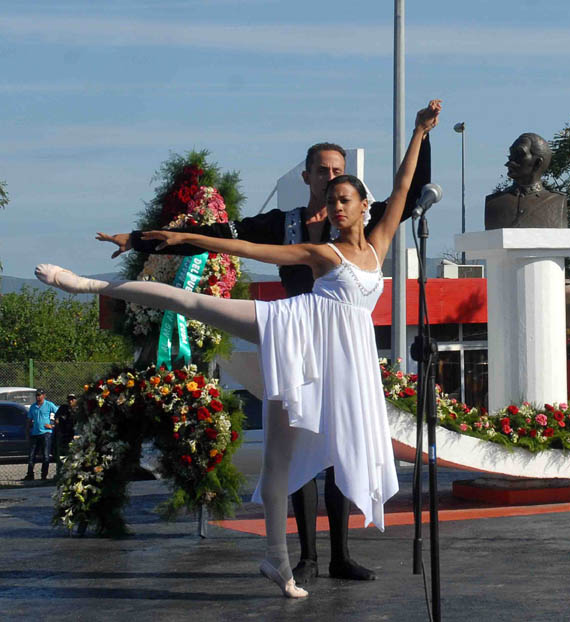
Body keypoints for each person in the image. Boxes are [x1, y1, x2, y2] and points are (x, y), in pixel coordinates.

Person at [36, 99, 441, 599]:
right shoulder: (321, 251)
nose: (336, 206)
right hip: (292, 329)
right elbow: (247, 248)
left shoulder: (378, 243)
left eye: (344, 198)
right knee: (189, 301)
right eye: (331, 197)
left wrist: (420, 131)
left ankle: (279, 561)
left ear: (363, 205)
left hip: (329, 362)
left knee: (280, 461)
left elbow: (404, 186)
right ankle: (90, 286)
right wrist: (177, 237)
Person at [484, 132, 568, 230]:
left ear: (537, 163)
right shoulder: (494, 202)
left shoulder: (557, 201)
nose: (509, 162)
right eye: (511, 155)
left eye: (519, 155)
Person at [25, 389, 57, 481]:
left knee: (45, 455)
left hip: (46, 434)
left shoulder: (49, 405)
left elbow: (58, 414)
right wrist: (27, 432)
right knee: (31, 456)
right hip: (35, 433)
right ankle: (30, 475)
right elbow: (29, 420)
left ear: (44, 395)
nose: (38, 397)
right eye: (37, 395)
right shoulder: (33, 407)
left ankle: (44, 476)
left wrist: (52, 425)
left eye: (40, 395)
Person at [54, 393, 77, 466]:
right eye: (69, 399)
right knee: (61, 455)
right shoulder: (63, 408)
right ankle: (60, 471)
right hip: (63, 434)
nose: (70, 401)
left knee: (73, 454)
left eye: (72, 399)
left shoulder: (78, 410)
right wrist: (58, 423)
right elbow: (56, 418)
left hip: (73, 435)